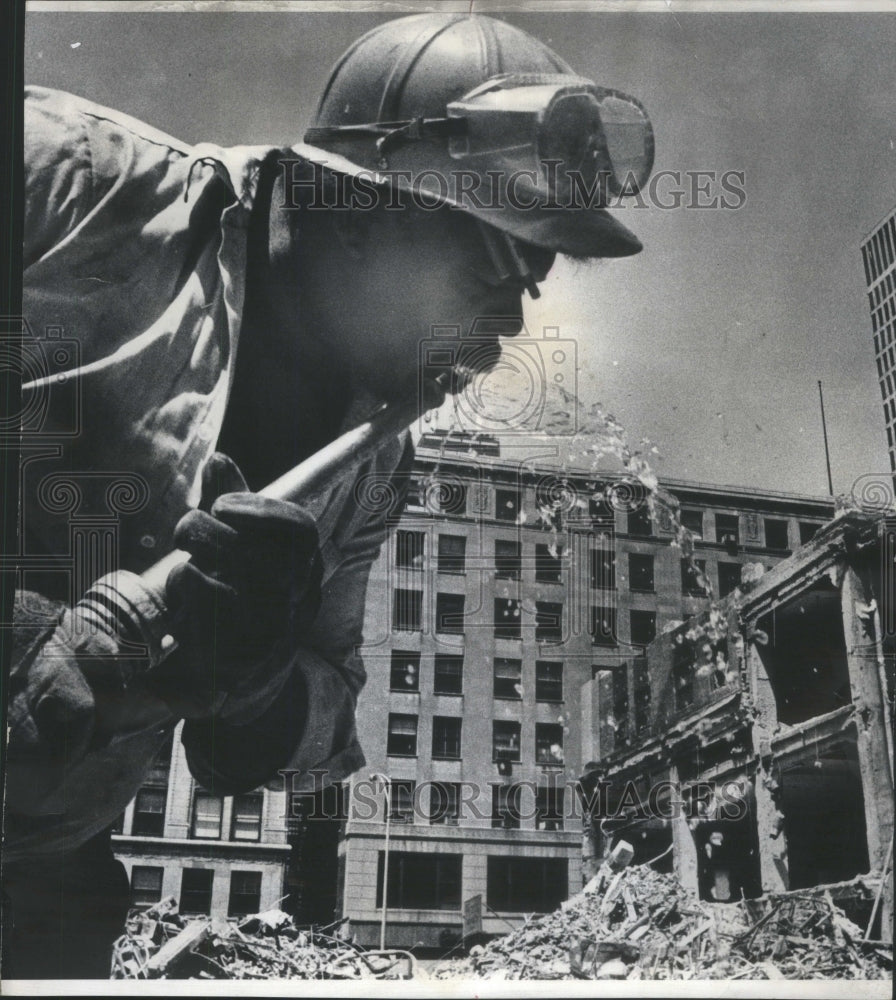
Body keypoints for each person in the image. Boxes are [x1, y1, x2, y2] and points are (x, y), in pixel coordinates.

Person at [2, 12, 653, 979]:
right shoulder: (61, 181)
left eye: (534, 283)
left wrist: (259, 670)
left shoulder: (377, 468)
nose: (509, 326)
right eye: (488, 264)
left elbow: (288, 739)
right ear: (350, 208)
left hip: (41, 876)